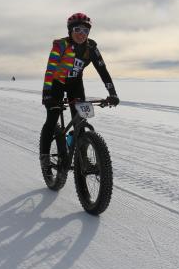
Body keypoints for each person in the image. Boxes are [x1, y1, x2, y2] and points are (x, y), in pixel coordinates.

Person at [40, 12, 119, 165]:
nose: (82, 34)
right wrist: (47, 95)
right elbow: (50, 71)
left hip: (75, 84)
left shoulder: (91, 47)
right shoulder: (60, 45)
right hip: (56, 83)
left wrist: (112, 93)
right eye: (78, 30)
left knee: (80, 120)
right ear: (70, 30)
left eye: (86, 31)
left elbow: (103, 71)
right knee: (52, 118)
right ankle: (44, 155)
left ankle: (82, 155)